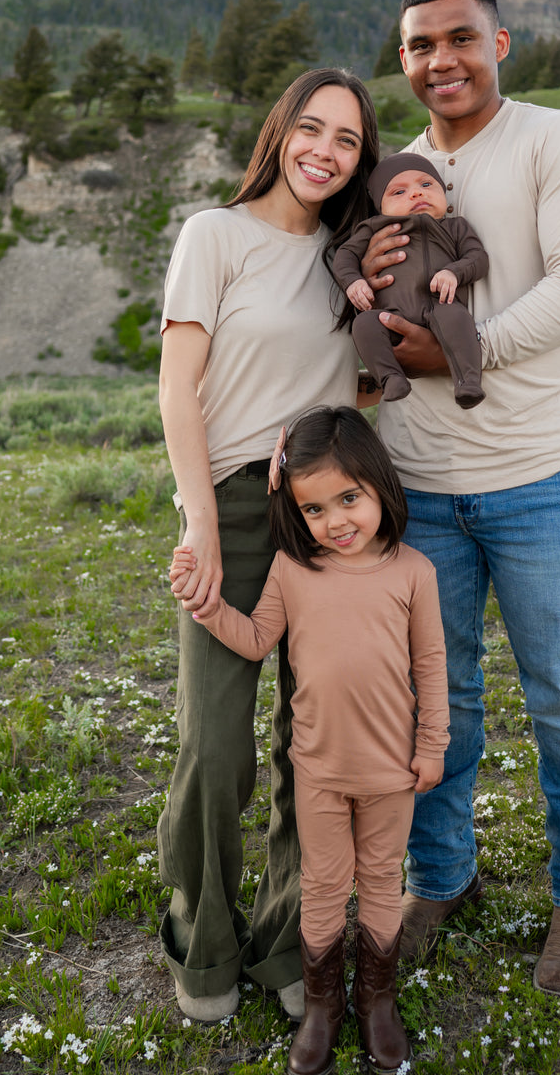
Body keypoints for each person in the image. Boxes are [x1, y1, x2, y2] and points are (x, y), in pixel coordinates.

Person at [359, 0, 560, 997]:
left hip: (540, 477)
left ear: (500, 44)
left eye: (461, 38)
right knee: (440, 696)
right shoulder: (395, 171)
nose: (443, 60)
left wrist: (456, 355)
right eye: (421, 45)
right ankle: (443, 876)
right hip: (418, 486)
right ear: (405, 58)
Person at [156, 68, 380, 1025]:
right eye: (313, 130)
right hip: (238, 512)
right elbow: (178, 386)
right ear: (281, 130)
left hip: (328, 516)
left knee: (314, 748)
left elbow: (367, 386)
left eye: (349, 142)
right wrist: (200, 518)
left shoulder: (352, 258)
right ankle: (202, 937)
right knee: (216, 744)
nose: (326, 153)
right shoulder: (217, 235)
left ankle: (293, 935)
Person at [171, 406, 448, 1075]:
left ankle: (375, 1001)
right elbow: (256, 639)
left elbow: (432, 666)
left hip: (391, 774)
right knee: (324, 886)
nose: (337, 521)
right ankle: (323, 1007)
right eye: (316, 509)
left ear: (380, 484)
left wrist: (432, 746)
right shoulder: (294, 573)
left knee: (381, 881)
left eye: (349, 498)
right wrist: (209, 607)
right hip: (317, 772)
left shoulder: (413, 572)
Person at [333, 153, 488, 408]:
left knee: (458, 321)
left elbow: (478, 257)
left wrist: (454, 272)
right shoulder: (374, 228)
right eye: (398, 192)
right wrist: (354, 281)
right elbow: (346, 255)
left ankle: (468, 381)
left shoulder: (455, 227)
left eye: (426, 185)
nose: (416, 194)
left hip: (442, 306)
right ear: (381, 207)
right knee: (364, 324)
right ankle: (391, 378)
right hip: (391, 314)